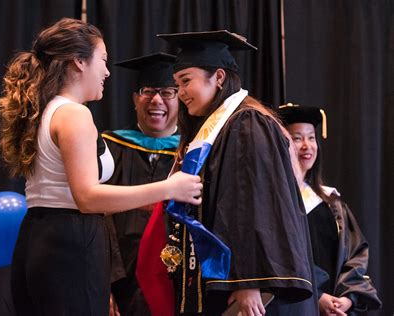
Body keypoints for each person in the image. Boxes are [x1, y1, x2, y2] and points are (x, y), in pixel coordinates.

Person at [0, 18, 202, 315]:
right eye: (103, 60)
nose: (106, 71)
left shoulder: (47, 109)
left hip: (40, 238)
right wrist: (170, 187)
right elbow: (87, 197)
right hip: (69, 246)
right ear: (79, 61)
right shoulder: (74, 115)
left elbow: (67, 193)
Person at [150, 30, 319, 315]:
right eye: (177, 84)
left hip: (241, 283)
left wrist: (248, 281)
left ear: (218, 77)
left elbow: (253, 204)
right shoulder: (216, 128)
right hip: (219, 278)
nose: (180, 93)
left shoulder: (247, 123)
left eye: (186, 81)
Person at [276, 103, 382, 315]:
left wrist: (348, 297)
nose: (307, 145)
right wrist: (318, 296)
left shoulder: (330, 202)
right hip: (294, 306)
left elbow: (355, 254)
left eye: (311, 137)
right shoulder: (275, 201)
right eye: (297, 138)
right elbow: (279, 257)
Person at [103, 52, 180, 316]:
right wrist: (105, 283)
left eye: (168, 92)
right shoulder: (110, 149)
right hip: (121, 280)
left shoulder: (193, 155)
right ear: (136, 99)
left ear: (181, 99)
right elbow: (99, 219)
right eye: (148, 91)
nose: (156, 100)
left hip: (176, 281)